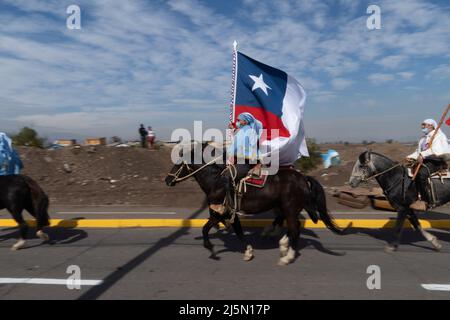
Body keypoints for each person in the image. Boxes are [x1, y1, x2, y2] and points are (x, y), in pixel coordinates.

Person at [209, 112, 262, 214]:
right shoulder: (243, 131)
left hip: (246, 163)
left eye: (239, 120)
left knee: (226, 176)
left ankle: (229, 206)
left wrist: (233, 152)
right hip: (240, 161)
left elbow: (248, 148)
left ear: (245, 121)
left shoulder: (249, 132)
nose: (237, 122)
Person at [406, 119, 450, 210]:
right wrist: (410, 157)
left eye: (424, 125)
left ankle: (426, 201)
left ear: (431, 126)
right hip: (425, 161)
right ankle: (415, 197)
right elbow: (418, 152)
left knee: (421, 174)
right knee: (407, 172)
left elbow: (436, 150)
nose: (422, 127)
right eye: (422, 125)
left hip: (436, 162)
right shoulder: (423, 138)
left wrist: (423, 154)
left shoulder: (438, 136)